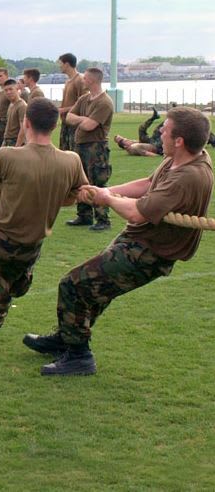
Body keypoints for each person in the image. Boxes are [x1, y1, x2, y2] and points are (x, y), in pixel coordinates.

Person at [24, 107, 213, 376]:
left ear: (179, 140)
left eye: (165, 129)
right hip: (139, 240)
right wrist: (107, 190)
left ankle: (79, 356)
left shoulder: (188, 175)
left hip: (150, 252)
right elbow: (148, 184)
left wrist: (108, 200)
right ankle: (68, 339)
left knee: (74, 284)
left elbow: (137, 213)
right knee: (96, 289)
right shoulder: (182, 158)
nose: (160, 131)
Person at [0, 98, 89, 356]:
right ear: (55, 126)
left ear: (26, 122)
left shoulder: (8, 155)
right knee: (6, 286)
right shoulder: (72, 161)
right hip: (30, 246)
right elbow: (76, 196)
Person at [65, 67, 114, 231]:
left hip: (96, 147)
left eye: (85, 78)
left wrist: (82, 120)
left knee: (97, 182)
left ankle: (103, 219)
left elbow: (89, 125)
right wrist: (83, 119)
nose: (83, 80)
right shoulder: (84, 99)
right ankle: (84, 215)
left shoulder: (104, 102)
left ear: (92, 80)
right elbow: (69, 117)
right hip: (81, 146)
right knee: (80, 181)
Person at [58, 53, 88, 152]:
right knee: (64, 152)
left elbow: (84, 103)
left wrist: (63, 110)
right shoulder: (68, 81)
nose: (60, 66)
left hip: (75, 124)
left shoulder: (80, 80)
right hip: (65, 122)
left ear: (67, 64)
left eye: (61, 63)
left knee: (74, 153)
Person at [2, 78, 27, 147]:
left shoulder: (22, 106)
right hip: (7, 140)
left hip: (15, 141)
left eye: (11, 89)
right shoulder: (11, 104)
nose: (8, 92)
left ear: (17, 89)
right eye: (6, 90)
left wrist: (17, 146)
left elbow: (23, 128)